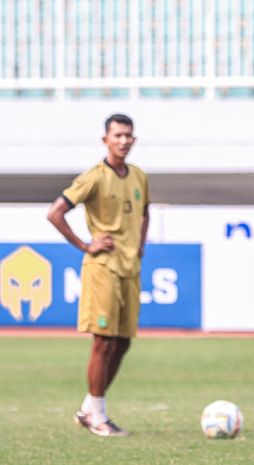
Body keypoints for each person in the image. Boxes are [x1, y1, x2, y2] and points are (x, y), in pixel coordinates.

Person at [47, 113, 149, 437]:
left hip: (130, 268)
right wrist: (85, 245)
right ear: (105, 139)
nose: (123, 141)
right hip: (103, 268)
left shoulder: (139, 176)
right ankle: (98, 414)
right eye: (117, 135)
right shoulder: (93, 177)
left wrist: (140, 245)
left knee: (122, 343)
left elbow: (144, 211)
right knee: (103, 341)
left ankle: (89, 408)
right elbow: (55, 212)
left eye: (128, 135)